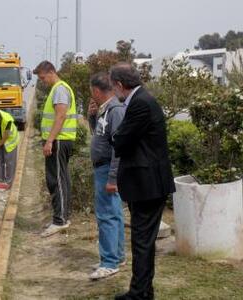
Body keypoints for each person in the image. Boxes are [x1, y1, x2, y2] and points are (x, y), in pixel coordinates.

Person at [110, 63, 175, 300]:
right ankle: (144, 291)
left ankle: (139, 294)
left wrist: (116, 136)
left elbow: (121, 140)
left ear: (119, 84)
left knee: (142, 242)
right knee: (143, 241)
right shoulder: (141, 100)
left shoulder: (140, 104)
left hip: (147, 185)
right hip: (146, 183)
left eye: (112, 86)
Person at [88, 72, 126, 280]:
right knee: (114, 214)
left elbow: (119, 148)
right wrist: (92, 117)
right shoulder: (105, 110)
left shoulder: (115, 110)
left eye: (91, 92)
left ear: (96, 90)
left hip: (107, 170)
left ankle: (109, 262)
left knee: (107, 216)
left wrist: (113, 178)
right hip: (103, 169)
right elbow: (100, 135)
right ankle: (117, 256)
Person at [33, 61, 77, 238]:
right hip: (61, 140)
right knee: (62, 179)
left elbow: (60, 116)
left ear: (51, 72)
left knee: (56, 180)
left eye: (43, 77)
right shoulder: (59, 88)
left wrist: (49, 141)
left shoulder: (59, 89)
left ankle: (59, 220)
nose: (43, 81)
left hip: (58, 141)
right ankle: (63, 216)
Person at [0, 109, 20, 186]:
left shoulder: (7, 121)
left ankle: (9, 181)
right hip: (0, 138)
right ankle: (1, 179)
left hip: (10, 141)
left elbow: (6, 136)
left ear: (1, 118)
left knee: (9, 162)